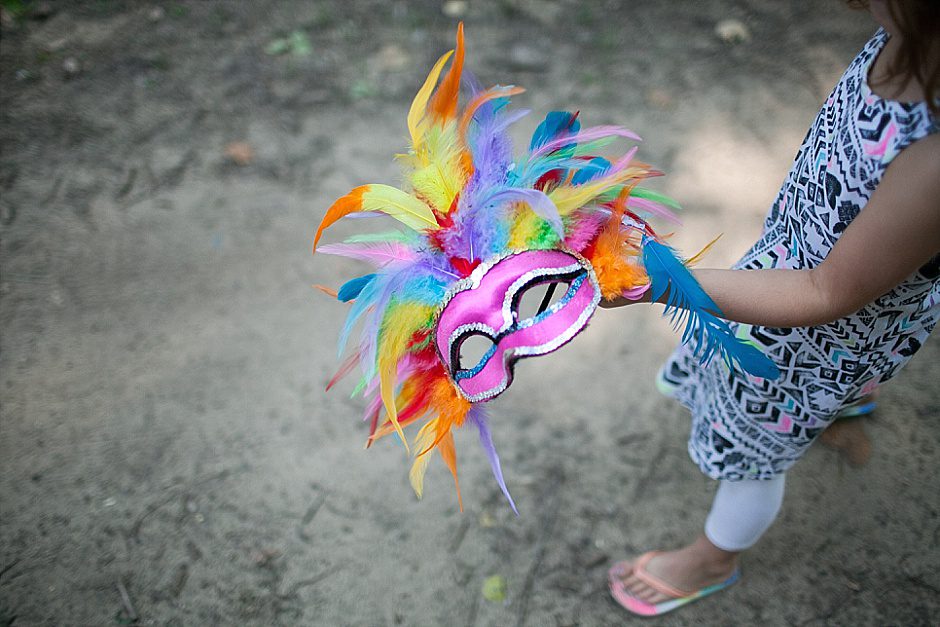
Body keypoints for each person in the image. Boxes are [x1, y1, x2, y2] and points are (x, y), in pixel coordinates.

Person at [605, 0, 939, 617]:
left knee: (753, 453)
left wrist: (665, 282)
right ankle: (847, 394)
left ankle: (711, 559)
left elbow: (826, 293)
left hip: (812, 327)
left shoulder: (935, 160)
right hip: (818, 284)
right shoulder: (904, 43)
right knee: (844, 360)